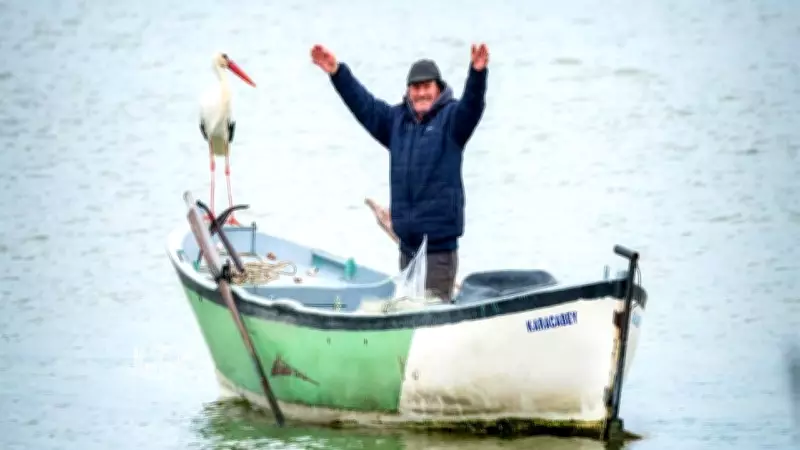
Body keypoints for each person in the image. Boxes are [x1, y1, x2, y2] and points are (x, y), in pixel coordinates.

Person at [310, 43, 489, 302]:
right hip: (407, 250)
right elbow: (365, 106)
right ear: (408, 91)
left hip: (439, 253)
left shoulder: (452, 120)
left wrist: (477, 73)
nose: (421, 93)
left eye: (427, 86)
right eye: (416, 88)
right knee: (411, 316)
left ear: (438, 89)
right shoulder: (396, 122)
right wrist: (337, 73)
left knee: (432, 320)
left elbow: (472, 106)